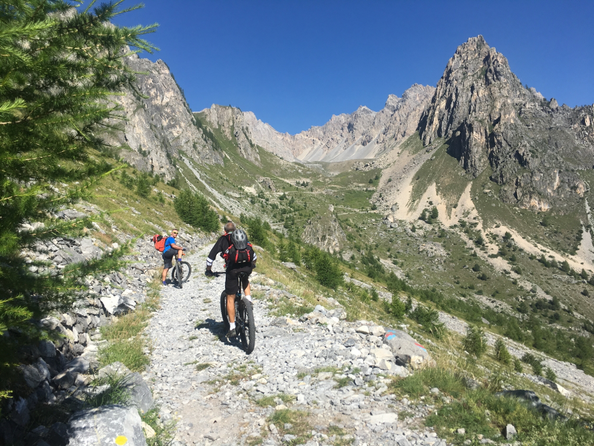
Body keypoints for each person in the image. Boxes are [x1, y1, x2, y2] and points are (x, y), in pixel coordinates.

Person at [205, 223, 257, 338]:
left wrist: (209, 270)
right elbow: (253, 255)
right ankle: (248, 301)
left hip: (233, 270)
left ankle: (232, 327)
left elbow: (211, 256)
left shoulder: (223, 239)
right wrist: (252, 266)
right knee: (245, 278)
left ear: (225, 231)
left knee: (230, 296)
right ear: (234, 229)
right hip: (247, 267)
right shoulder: (242, 237)